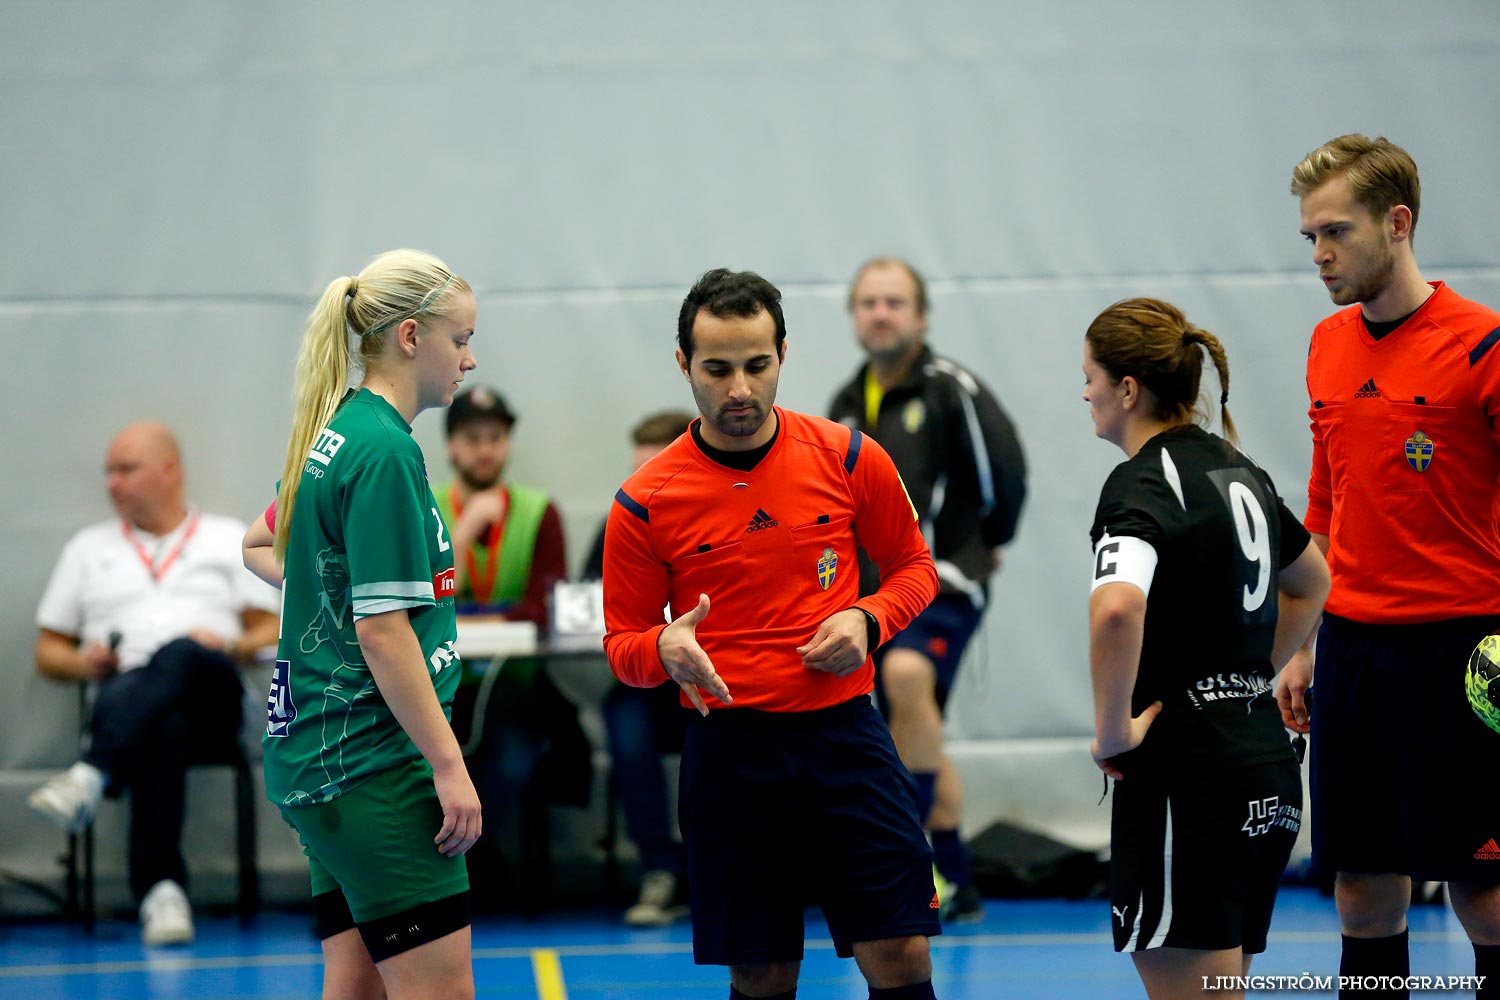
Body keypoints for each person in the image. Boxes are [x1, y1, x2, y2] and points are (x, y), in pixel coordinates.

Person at [604, 268, 943, 1000]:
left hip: (846, 739)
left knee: (901, 951)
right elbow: (622, 649)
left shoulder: (850, 457)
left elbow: (916, 568)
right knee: (761, 972)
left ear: (783, 354)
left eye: (757, 366)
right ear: (683, 365)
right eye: (717, 369)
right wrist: (662, 650)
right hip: (731, 755)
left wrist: (867, 615)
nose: (739, 390)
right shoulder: (643, 503)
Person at [1284, 133, 1500, 997]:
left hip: (1470, 651)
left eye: (1335, 232)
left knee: (1485, 891)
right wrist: (1300, 645)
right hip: (1354, 652)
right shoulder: (1328, 344)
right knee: (1363, 893)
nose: (1321, 255)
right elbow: (1325, 508)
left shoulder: (1483, 346)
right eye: (1310, 238)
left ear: (1398, 222)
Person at [1083, 297, 1330, 999]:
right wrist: (1251, 678)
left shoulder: (1140, 483)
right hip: (1263, 766)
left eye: (1091, 376)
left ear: (1128, 390)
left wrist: (1112, 732)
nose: (1085, 393)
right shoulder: (1237, 468)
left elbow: (1117, 608)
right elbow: (1313, 581)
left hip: (1185, 779)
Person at [263, 248, 481, 1000]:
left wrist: (327, 600)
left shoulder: (337, 431)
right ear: (413, 337)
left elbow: (269, 546)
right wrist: (449, 765)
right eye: (461, 340)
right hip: (373, 763)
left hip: (321, 756)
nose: (470, 359)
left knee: (356, 987)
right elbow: (383, 632)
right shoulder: (385, 451)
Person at [28, 421, 281, 946]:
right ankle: (164, 894)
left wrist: (229, 645)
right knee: (163, 722)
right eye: (109, 472)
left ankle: (93, 773)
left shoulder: (224, 537)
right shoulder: (87, 549)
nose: (113, 484)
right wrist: (85, 663)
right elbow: (49, 650)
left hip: (215, 694)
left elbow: (275, 625)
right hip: (128, 696)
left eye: (127, 469)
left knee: (182, 651)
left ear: (170, 471)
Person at [829, 257, 1027, 922]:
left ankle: (906, 857)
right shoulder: (847, 401)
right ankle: (956, 873)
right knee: (911, 727)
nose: (880, 314)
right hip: (874, 595)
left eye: (894, 302)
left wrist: (977, 551)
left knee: (908, 679)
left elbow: (1006, 472)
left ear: (921, 314)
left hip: (943, 580)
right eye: (868, 303)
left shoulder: (952, 389)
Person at [581, 409, 697, 926]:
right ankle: (660, 869)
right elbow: (583, 601)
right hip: (645, 674)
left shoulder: (720, 513)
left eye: (656, 469)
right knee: (626, 729)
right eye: (637, 472)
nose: (645, 484)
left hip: (717, 672)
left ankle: (729, 864)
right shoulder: (622, 517)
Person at [432, 386, 566, 628]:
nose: (485, 451)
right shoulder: (422, 508)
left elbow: (549, 610)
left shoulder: (541, 512)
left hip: (522, 664)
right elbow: (419, 607)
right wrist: (461, 539)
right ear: (451, 445)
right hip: (441, 666)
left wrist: (466, 626)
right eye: (472, 439)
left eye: (496, 438)